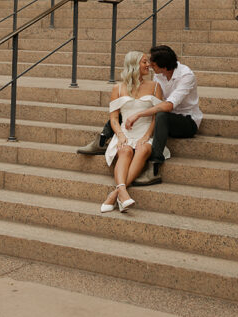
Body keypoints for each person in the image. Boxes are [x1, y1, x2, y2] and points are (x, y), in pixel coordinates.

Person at [77, 44, 202, 187]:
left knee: (159, 114)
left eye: (153, 64)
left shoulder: (186, 76)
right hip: (161, 114)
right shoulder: (158, 75)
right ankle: (102, 139)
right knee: (126, 108)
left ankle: (154, 165)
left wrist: (139, 115)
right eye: (146, 62)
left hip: (186, 121)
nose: (150, 66)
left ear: (164, 67)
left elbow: (168, 106)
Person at [100, 51, 166, 212]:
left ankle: (116, 194)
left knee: (143, 148)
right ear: (134, 65)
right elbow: (114, 118)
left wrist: (146, 136)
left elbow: (156, 117)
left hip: (146, 131)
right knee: (125, 151)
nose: (148, 65)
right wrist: (121, 135)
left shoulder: (156, 86)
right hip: (124, 133)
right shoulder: (118, 88)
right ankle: (122, 192)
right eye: (144, 62)